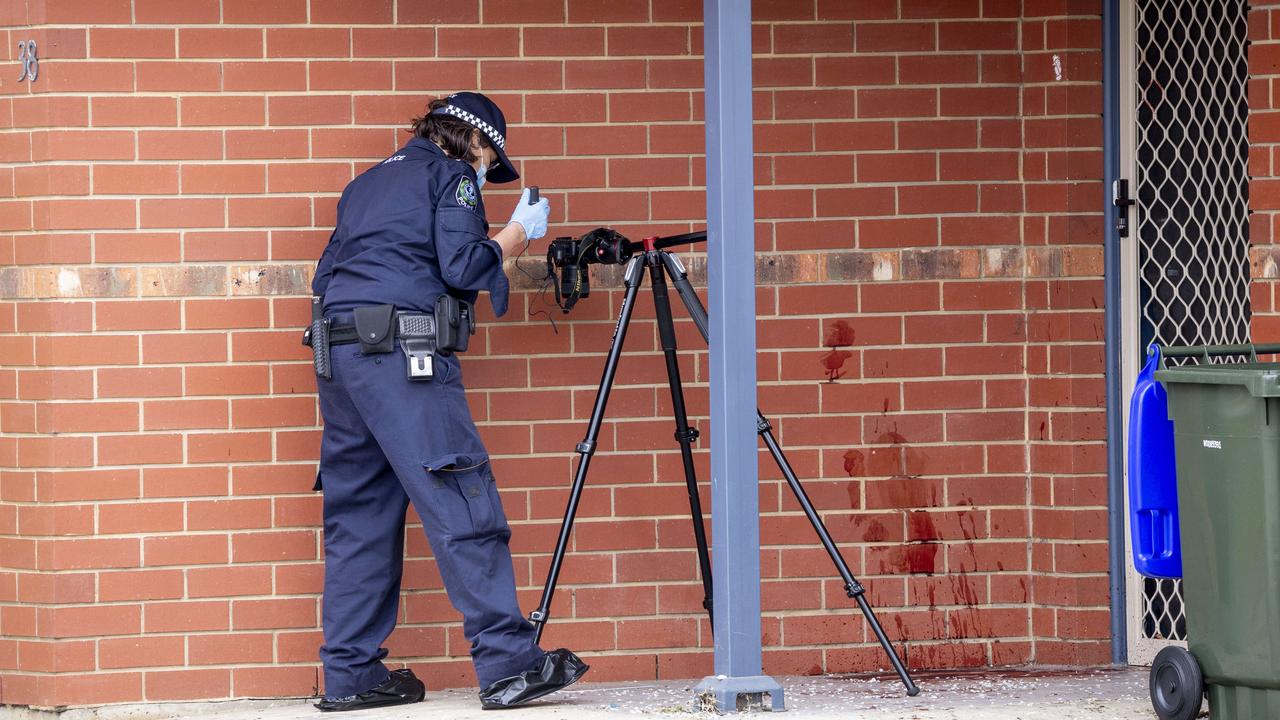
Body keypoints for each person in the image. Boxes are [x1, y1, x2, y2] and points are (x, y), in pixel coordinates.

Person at [308, 92, 588, 712]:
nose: (488, 165)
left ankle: (352, 674)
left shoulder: (365, 183)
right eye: (490, 154)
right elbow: (461, 266)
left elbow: (325, 278)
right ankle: (510, 663)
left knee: (358, 517)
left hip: (340, 356)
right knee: (461, 493)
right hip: (404, 361)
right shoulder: (452, 176)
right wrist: (515, 234)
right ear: (471, 139)